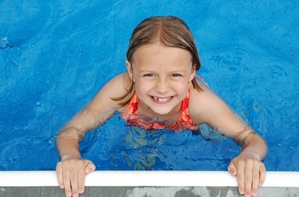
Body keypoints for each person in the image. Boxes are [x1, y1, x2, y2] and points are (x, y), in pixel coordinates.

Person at [56, 16, 267, 197]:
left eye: (175, 75)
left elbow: (250, 137)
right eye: (149, 75)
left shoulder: (201, 103)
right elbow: (71, 131)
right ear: (131, 71)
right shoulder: (120, 93)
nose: (162, 88)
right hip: (138, 122)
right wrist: (71, 157)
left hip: (190, 124)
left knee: (215, 137)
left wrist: (250, 156)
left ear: (192, 72)